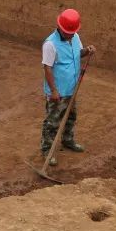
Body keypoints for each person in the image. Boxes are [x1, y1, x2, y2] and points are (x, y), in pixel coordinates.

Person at [41, 9, 97, 165]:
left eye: (73, 32)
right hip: (57, 92)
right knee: (53, 121)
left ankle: (67, 140)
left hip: (72, 88)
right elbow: (47, 68)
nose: (71, 35)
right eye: (68, 32)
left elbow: (77, 54)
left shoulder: (75, 37)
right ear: (61, 28)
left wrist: (87, 51)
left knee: (71, 117)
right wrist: (53, 90)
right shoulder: (50, 44)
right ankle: (47, 149)